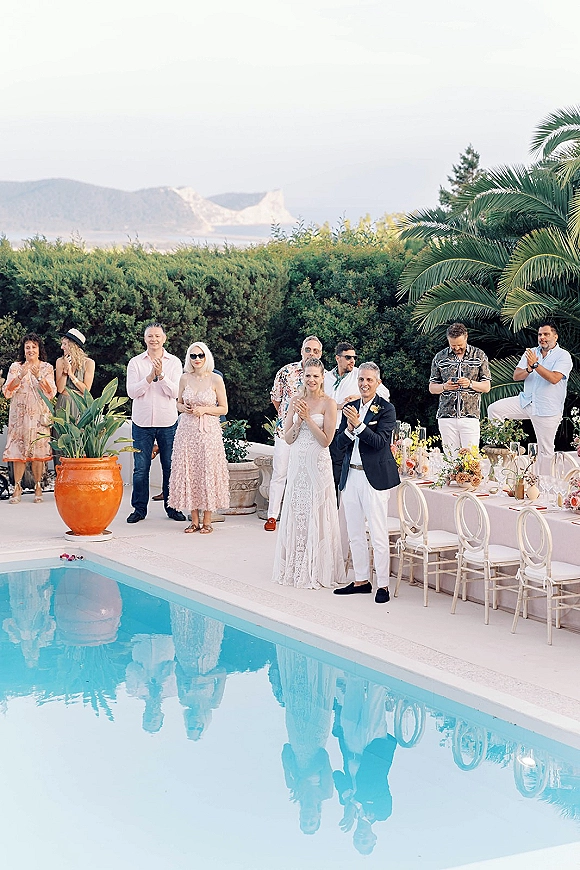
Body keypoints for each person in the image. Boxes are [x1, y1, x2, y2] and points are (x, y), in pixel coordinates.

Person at [272, 358, 346, 588]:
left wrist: (307, 420)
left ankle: (318, 567)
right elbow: (288, 437)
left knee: (317, 512)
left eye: (316, 375)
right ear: (302, 377)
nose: (311, 379)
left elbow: (326, 441)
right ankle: (296, 565)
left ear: (322, 378)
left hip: (318, 465)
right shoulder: (295, 400)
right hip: (297, 465)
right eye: (308, 375)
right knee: (297, 512)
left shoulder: (329, 403)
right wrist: (297, 422)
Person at [333, 363, 400, 604]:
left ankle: (383, 584)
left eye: (369, 380)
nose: (364, 384)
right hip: (350, 475)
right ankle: (361, 579)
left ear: (378, 383)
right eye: (361, 379)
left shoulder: (386, 409)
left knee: (378, 533)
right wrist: (350, 429)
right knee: (354, 531)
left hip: (375, 479)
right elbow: (338, 443)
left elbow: (381, 442)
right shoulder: (350, 408)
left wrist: (359, 426)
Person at [487, 321, 573, 475]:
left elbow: (554, 378)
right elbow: (516, 375)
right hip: (526, 401)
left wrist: (535, 365)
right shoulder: (532, 352)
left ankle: (543, 489)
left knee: (545, 451)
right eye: (540, 334)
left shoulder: (563, 356)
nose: (542, 338)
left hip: (547, 409)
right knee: (494, 409)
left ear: (555, 336)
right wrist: (528, 367)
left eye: (546, 334)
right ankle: (501, 446)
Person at [126, 323, 186, 523]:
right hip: (142, 423)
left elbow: (175, 393)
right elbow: (133, 392)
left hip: (167, 422)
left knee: (169, 466)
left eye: (157, 336)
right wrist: (150, 377)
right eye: (150, 336)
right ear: (145, 339)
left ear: (164, 338)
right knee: (141, 468)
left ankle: (172, 507)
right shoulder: (135, 363)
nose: (154, 339)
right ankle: (139, 509)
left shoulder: (174, 362)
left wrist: (161, 376)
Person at [168, 341, 229, 534]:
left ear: (206, 357)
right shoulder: (184, 378)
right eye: (193, 356)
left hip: (208, 433)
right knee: (190, 472)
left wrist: (204, 410)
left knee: (207, 472)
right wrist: (182, 408)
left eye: (200, 355)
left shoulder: (216, 379)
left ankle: (208, 520)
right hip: (186, 431)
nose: (196, 359)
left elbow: (224, 408)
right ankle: (194, 520)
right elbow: (177, 403)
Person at [264, 335, 323, 531]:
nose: (311, 354)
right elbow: (276, 400)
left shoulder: (323, 376)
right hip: (285, 431)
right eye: (308, 349)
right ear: (301, 351)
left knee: (305, 475)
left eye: (315, 351)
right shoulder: (286, 372)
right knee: (280, 472)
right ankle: (272, 515)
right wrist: (288, 419)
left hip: (310, 435)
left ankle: (300, 517)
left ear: (321, 354)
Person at [324, 341, 390, 496]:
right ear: (337, 358)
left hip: (348, 430)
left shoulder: (360, 375)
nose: (352, 361)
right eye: (348, 357)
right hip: (325, 431)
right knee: (326, 472)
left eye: (354, 357)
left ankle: (339, 511)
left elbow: (385, 394)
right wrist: (337, 406)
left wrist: (360, 397)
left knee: (340, 472)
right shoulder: (326, 378)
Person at [2, 333, 57, 504]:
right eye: (27, 347)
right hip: (19, 417)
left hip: (39, 416)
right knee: (18, 452)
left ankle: (38, 485)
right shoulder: (15, 366)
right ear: (23, 350)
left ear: (39, 349)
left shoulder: (47, 367)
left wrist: (38, 376)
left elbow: (51, 392)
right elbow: (6, 392)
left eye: (34, 347)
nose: (30, 350)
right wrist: (20, 376)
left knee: (38, 453)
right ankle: (17, 487)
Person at [429, 323, 491, 455]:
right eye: (453, 345)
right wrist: (445, 386)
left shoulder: (479, 355)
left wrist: (470, 383)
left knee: (471, 459)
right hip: (446, 416)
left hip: (470, 415)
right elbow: (432, 387)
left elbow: (486, 386)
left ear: (466, 337)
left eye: (459, 345)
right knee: (451, 459)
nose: (457, 348)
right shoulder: (439, 357)